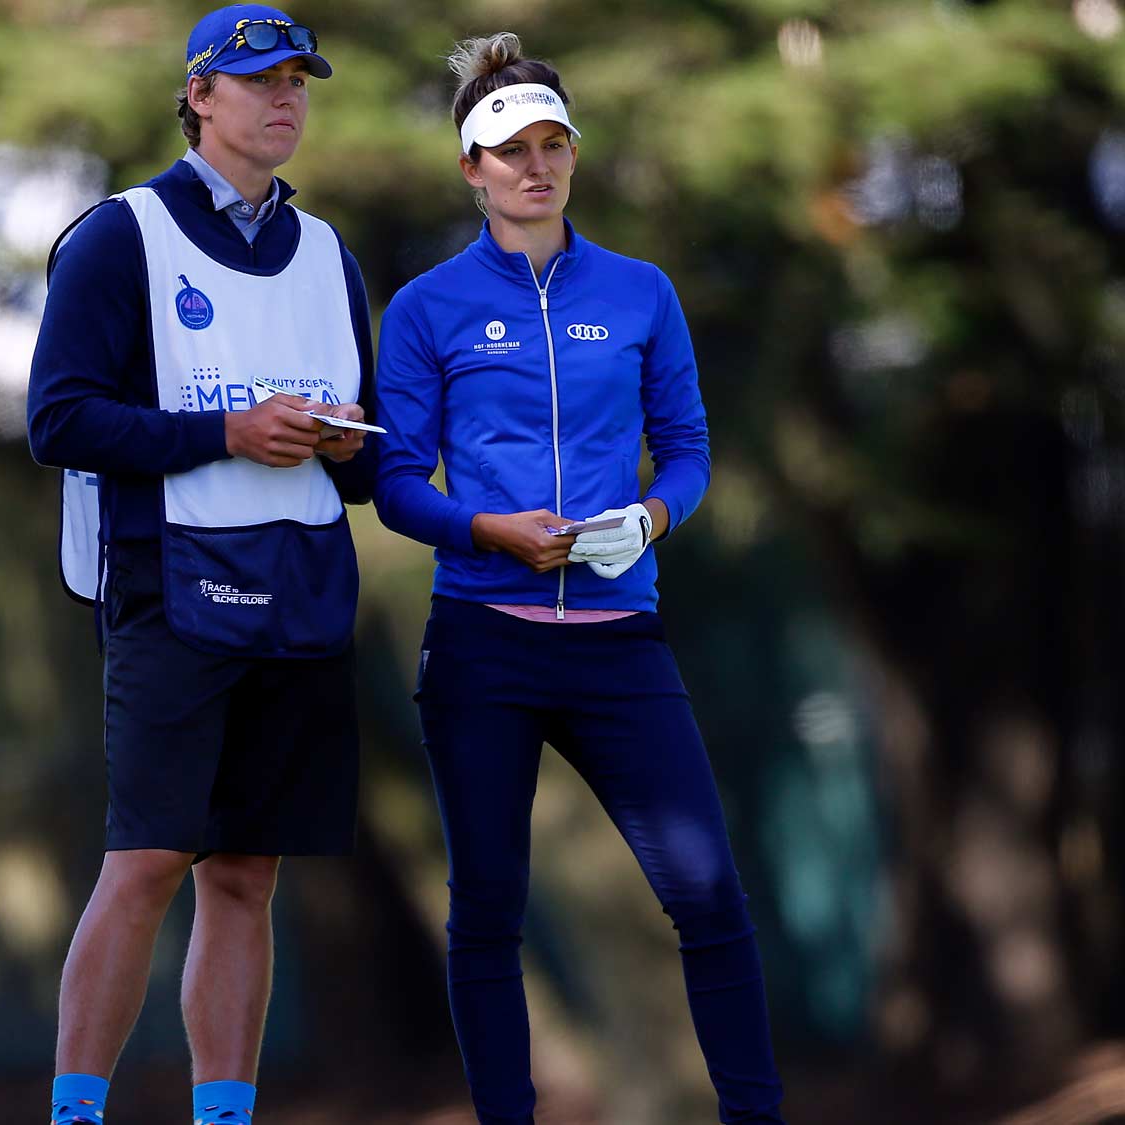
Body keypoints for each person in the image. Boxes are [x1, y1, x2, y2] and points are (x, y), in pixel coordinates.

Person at [371, 32, 787, 1125]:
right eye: (510, 151)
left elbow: (688, 449)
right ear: (470, 168)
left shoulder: (641, 293)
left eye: (553, 144)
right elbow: (395, 483)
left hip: (617, 638)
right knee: (488, 912)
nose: (535, 167)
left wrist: (652, 515)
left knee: (708, 897)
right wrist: (486, 530)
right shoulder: (425, 309)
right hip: (481, 642)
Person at [24, 6, 376, 1124]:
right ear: (198, 97)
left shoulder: (328, 255)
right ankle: (76, 1114)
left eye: (297, 80)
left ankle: (223, 1116)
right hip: (164, 587)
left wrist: (342, 439)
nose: (284, 97)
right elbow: (60, 420)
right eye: (257, 78)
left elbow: (363, 472)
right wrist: (225, 432)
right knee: (148, 857)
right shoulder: (118, 235)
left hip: (301, 589)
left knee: (246, 873)